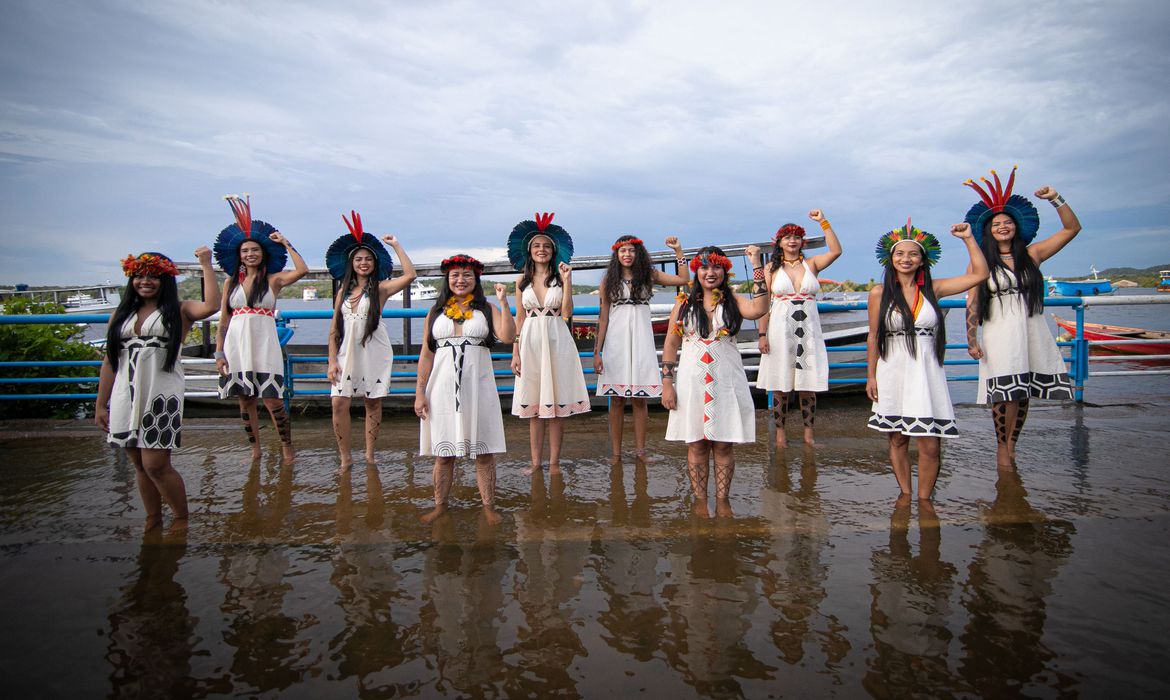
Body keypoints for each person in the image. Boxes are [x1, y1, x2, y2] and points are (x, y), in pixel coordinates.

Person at [95, 248, 221, 530]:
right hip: (124, 393)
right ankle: (153, 519)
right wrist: (100, 403)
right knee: (138, 463)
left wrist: (206, 265)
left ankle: (180, 520)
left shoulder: (179, 309)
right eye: (139, 276)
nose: (145, 281)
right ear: (131, 279)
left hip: (160, 394)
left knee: (156, 464)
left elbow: (212, 305)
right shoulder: (121, 312)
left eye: (154, 276)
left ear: (166, 280)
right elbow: (109, 361)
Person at [963, 167, 1079, 469]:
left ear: (1016, 226)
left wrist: (1055, 198)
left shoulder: (1033, 255)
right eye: (996, 223)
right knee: (1004, 392)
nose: (1003, 226)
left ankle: (1012, 445)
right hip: (999, 332)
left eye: (1007, 222)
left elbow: (1071, 229)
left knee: (1022, 391)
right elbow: (972, 303)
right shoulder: (981, 263)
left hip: (1030, 327)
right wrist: (971, 339)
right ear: (987, 230)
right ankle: (1002, 448)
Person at [865, 220, 989, 500]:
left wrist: (968, 239)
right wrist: (871, 376)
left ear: (923, 259)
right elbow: (873, 336)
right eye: (899, 253)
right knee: (897, 438)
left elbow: (981, 273)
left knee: (930, 444)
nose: (905, 259)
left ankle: (925, 500)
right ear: (890, 258)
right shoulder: (879, 293)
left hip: (925, 372)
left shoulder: (935, 288)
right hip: (892, 370)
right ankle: (906, 495)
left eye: (913, 254)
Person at [662, 245, 768, 517]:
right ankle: (700, 501)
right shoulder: (683, 303)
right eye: (704, 267)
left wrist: (756, 264)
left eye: (716, 267)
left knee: (723, 442)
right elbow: (672, 342)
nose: (710, 273)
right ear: (697, 271)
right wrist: (667, 383)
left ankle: (722, 500)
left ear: (725, 271)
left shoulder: (733, 298)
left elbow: (759, 309)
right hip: (691, 379)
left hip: (726, 377)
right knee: (696, 442)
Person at [414, 254, 516, 524]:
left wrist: (504, 302)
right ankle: (439, 505)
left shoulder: (486, 308)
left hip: (478, 384)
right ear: (447, 280)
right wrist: (419, 392)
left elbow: (508, 336)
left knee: (484, 452)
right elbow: (426, 354)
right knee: (443, 454)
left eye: (467, 275)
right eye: (455, 275)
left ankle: (489, 506)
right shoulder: (435, 311)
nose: (461, 280)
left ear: (476, 279)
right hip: (442, 386)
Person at [213, 195, 308, 463]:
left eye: (254, 250)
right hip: (236, 343)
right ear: (239, 256)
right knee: (245, 400)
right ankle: (255, 449)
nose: (250, 254)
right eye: (245, 251)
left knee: (273, 400)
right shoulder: (231, 283)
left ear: (262, 253)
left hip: (264, 342)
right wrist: (219, 353)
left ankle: (287, 446)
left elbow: (302, 270)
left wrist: (287, 243)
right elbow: (223, 321)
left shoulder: (273, 280)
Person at [324, 211, 417, 471]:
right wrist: (332, 360)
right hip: (346, 352)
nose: (363, 263)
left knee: (372, 401)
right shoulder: (343, 290)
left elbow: (410, 275)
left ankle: (369, 453)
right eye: (358, 259)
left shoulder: (381, 288)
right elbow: (334, 329)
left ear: (374, 263)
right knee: (338, 402)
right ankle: (345, 456)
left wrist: (396, 245)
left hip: (374, 350)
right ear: (351, 263)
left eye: (367, 259)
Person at [594, 234, 690, 463]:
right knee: (616, 399)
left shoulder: (649, 275)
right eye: (623, 251)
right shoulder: (609, 280)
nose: (627, 254)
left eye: (631, 250)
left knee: (640, 398)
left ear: (638, 254)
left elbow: (683, 280)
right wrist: (597, 352)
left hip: (641, 340)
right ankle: (616, 454)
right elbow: (603, 318)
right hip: (615, 342)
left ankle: (640, 452)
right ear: (616, 254)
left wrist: (678, 252)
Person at [508, 212, 590, 475]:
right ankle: (535, 462)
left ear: (553, 251)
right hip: (530, 341)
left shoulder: (561, 277)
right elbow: (519, 319)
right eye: (536, 246)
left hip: (557, 340)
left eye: (546, 246)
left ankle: (554, 462)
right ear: (529, 251)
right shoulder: (521, 281)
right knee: (533, 406)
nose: (541, 250)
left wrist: (567, 281)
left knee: (556, 405)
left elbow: (566, 313)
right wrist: (515, 352)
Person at [753, 210, 843, 447]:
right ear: (779, 242)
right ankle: (781, 435)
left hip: (808, 330)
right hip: (779, 330)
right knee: (780, 385)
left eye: (796, 236)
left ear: (802, 241)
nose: (792, 240)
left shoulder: (811, 264)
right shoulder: (771, 269)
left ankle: (808, 435)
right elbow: (763, 305)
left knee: (808, 385)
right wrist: (762, 335)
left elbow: (836, 251)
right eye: (787, 237)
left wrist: (823, 222)